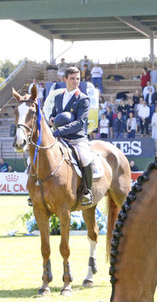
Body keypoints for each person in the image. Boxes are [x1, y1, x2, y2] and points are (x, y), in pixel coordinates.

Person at [50, 66, 96, 206]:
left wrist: (59, 131)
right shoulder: (58, 97)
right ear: (65, 79)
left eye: (78, 79)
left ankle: (87, 191)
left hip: (77, 138)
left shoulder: (83, 98)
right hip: (59, 138)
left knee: (85, 158)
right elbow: (54, 114)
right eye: (72, 79)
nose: (76, 81)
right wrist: (51, 119)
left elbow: (80, 122)